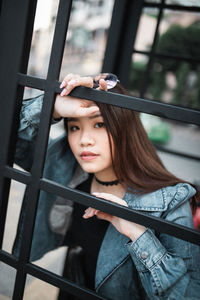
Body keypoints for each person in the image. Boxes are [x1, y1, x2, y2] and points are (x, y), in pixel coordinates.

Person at [13, 73, 200, 299]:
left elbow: (189, 295)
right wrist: (53, 105)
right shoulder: (66, 169)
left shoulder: (171, 200)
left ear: (123, 129)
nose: (85, 140)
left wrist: (137, 234)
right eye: (74, 127)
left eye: (99, 124)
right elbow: (10, 140)